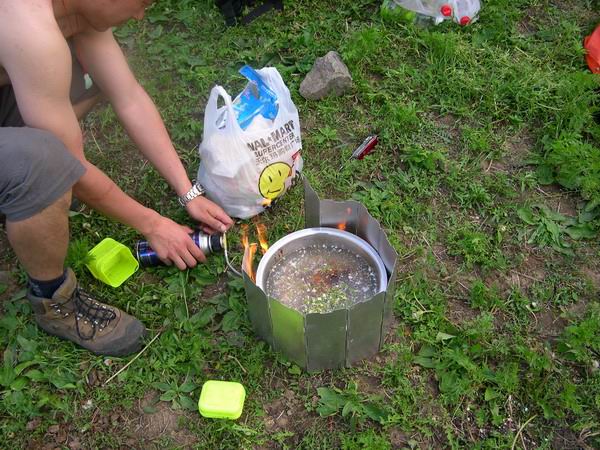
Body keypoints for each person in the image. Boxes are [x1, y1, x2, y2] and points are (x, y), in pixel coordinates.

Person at [0, 0, 234, 356]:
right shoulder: (30, 28)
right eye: (140, 2)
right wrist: (153, 225)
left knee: (85, 79)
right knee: (43, 162)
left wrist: (188, 192)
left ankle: (21, 184)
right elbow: (70, 163)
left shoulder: (74, 12)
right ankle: (54, 300)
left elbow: (129, 97)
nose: (140, 15)